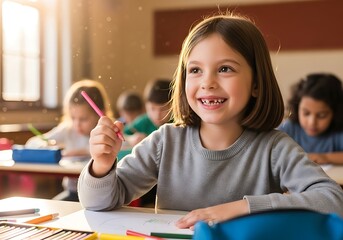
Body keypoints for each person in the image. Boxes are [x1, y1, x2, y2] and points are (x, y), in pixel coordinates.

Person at [77, 14, 343, 229]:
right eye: (195, 70)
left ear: (257, 84)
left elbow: (333, 201)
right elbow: (99, 203)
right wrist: (101, 165)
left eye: (225, 69)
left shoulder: (274, 147)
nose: (207, 82)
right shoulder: (165, 141)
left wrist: (242, 208)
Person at [26, 79, 113, 201]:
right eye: (73, 118)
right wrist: (50, 145)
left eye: (83, 119)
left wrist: (87, 151)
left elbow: (125, 148)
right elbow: (31, 143)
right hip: (73, 193)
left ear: (100, 114)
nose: (77, 124)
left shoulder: (107, 132)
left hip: (101, 196)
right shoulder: (68, 129)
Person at [278, 73, 343, 164]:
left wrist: (326, 157)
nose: (312, 122)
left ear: (336, 112)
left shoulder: (338, 131)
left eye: (321, 115)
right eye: (306, 113)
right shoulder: (289, 127)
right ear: (297, 108)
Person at [124, 79, 172, 148]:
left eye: (163, 109)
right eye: (152, 108)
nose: (157, 115)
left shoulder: (177, 122)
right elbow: (122, 135)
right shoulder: (144, 121)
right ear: (146, 105)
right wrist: (131, 138)